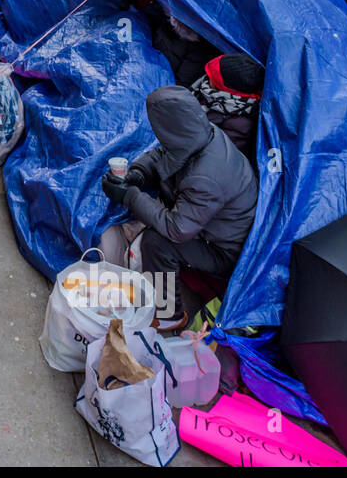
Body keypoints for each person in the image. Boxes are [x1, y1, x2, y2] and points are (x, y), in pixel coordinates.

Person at [101, 85, 259, 331]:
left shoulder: (207, 178)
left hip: (223, 250)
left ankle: (168, 314)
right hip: (209, 226)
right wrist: (138, 174)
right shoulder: (200, 135)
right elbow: (161, 155)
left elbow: (178, 229)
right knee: (155, 225)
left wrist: (130, 196)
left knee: (158, 242)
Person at [190, 54, 265, 160]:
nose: (207, 78)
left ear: (226, 89)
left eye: (213, 77)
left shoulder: (238, 128)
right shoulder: (213, 96)